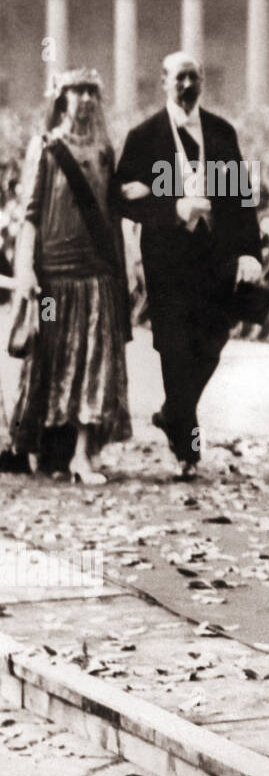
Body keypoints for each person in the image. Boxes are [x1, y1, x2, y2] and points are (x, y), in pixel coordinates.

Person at [111, 51, 262, 479]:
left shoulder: (220, 133)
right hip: (168, 260)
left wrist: (250, 251)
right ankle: (188, 450)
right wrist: (174, 207)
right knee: (175, 351)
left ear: (203, 83)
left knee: (213, 343)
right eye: (179, 78)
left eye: (193, 77)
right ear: (163, 82)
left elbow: (240, 199)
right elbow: (122, 198)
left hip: (215, 257)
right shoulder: (145, 137)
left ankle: (172, 412)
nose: (186, 86)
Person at [8, 69, 132, 482]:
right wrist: (24, 269)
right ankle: (49, 448)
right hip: (50, 278)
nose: (84, 100)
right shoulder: (45, 147)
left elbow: (113, 215)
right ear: (61, 98)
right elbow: (29, 214)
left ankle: (84, 452)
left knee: (94, 359)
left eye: (91, 92)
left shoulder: (104, 151)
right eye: (77, 91)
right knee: (50, 354)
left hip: (95, 273)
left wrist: (123, 267)